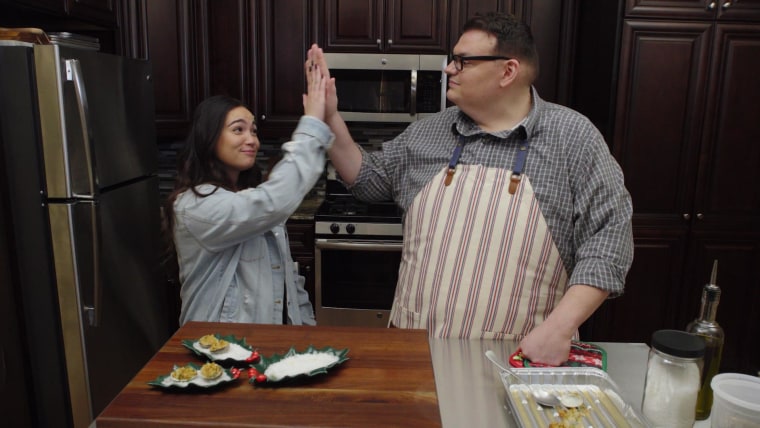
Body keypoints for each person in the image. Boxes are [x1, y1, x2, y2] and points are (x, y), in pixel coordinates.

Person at [309, 11, 633, 365]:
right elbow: (367, 180)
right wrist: (329, 118)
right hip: (414, 356)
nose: (449, 69)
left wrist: (560, 328)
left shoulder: (573, 138)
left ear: (508, 71)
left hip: (516, 363)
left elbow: (609, 242)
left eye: (463, 61)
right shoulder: (429, 132)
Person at [164, 60, 334, 326]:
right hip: (216, 347)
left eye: (253, 130)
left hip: (265, 344)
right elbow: (272, 201)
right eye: (238, 129)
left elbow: (289, 281)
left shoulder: (249, 196)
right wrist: (312, 123)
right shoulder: (194, 206)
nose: (252, 140)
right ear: (209, 138)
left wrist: (306, 332)